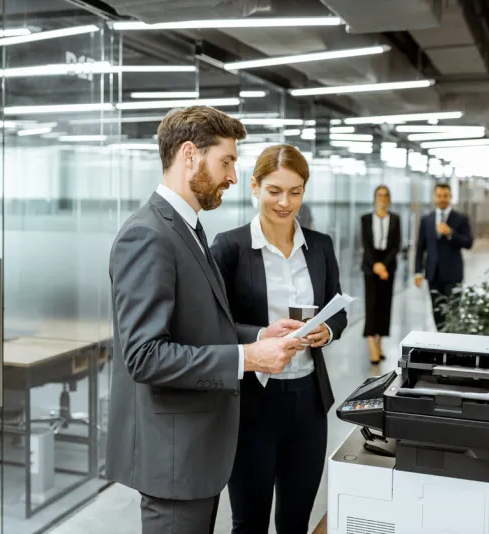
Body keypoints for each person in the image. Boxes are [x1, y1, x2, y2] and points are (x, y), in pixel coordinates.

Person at [106, 106, 306, 534]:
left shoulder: (188, 228)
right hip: (174, 461)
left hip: (197, 454)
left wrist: (259, 336)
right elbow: (145, 356)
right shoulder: (148, 235)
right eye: (227, 162)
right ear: (190, 155)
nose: (234, 177)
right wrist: (247, 358)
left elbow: (198, 325)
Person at [211, 144, 348, 534]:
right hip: (253, 404)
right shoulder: (229, 247)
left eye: (295, 192)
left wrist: (328, 330)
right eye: (274, 190)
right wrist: (259, 336)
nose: (285, 202)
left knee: (295, 521)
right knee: (249, 523)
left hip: (308, 403)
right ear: (254, 187)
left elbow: (337, 309)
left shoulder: (320, 246)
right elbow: (212, 325)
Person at [414, 182, 474, 331]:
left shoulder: (460, 218)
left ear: (450, 197)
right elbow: (420, 247)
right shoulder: (427, 220)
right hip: (433, 274)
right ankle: (440, 344)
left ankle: (451, 346)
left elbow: (469, 242)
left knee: (453, 313)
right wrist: (417, 271)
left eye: (445, 196)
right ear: (435, 197)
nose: (442, 199)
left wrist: (451, 233)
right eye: (439, 196)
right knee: (437, 312)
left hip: (453, 274)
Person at [360, 185, 401, 364]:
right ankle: (371, 345)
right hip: (370, 265)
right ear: (375, 198)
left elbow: (396, 245)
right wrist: (376, 265)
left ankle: (379, 342)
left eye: (385, 195)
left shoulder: (396, 219)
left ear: (389, 199)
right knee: (371, 305)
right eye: (379, 195)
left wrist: (384, 266)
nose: (382, 198)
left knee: (385, 305)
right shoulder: (366, 219)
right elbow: (366, 244)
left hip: (388, 265)